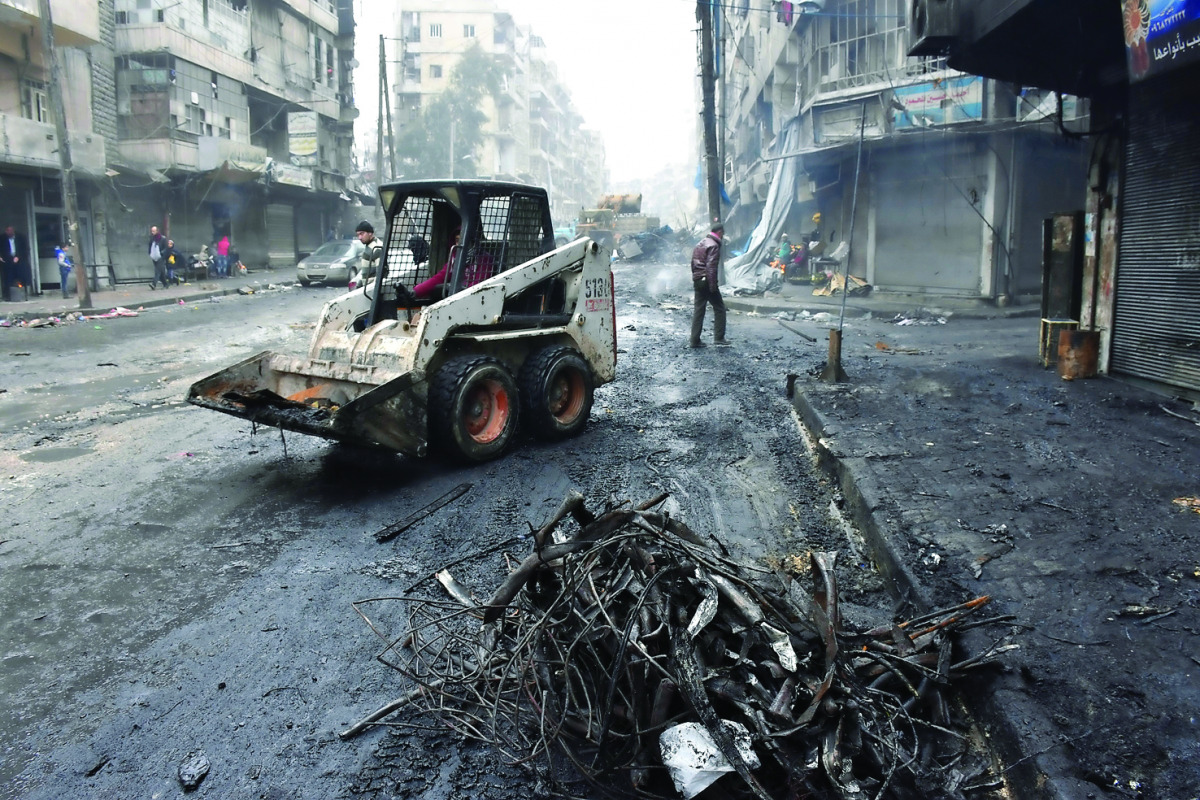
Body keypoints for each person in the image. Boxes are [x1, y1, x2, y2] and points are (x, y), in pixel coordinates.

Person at [689, 222, 729, 348]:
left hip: (698, 279)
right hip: (707, 280)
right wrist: (713, 286)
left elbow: (693, 262)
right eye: (722, 234)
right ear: (720, 232)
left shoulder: (700, 243)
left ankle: (694, 340)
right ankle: (719, 337)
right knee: (720, 308)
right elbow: (711, 267)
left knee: (699, 310)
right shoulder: (714, 246)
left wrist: (696, 276)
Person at [1, 225, 29, 298]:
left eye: (11, 231)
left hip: (19, 260)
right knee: (8, 278)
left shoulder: (21, 237)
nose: (10, 232)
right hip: (7, 260)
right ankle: (8, 295)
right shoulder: (2, 238)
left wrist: (18, 256)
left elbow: (25, 249)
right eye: (8, 231)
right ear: (6, 231)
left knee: (22, 276)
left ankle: (24, 294)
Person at [354, 220, 382, 288]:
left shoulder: (376, 248)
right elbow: (367, 271)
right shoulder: (369, 246)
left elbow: (380, 273)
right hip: (367, 288)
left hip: (371, 290)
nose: (359, 238)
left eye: (362, 234)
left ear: (370, 233)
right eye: (358, 235)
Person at [148, 225, 168, 289]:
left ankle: (154, 284)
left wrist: (162, 253)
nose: (152, 232)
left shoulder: (162, 238)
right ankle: (165, 284)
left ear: (157, 231)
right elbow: (150, 246)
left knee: (157, 271)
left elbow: (166, 248)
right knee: (161, 272)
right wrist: (150, 253)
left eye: (153, 231)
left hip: (160, 257)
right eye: (152, 231)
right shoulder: (152, 238)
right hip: (154, 257)